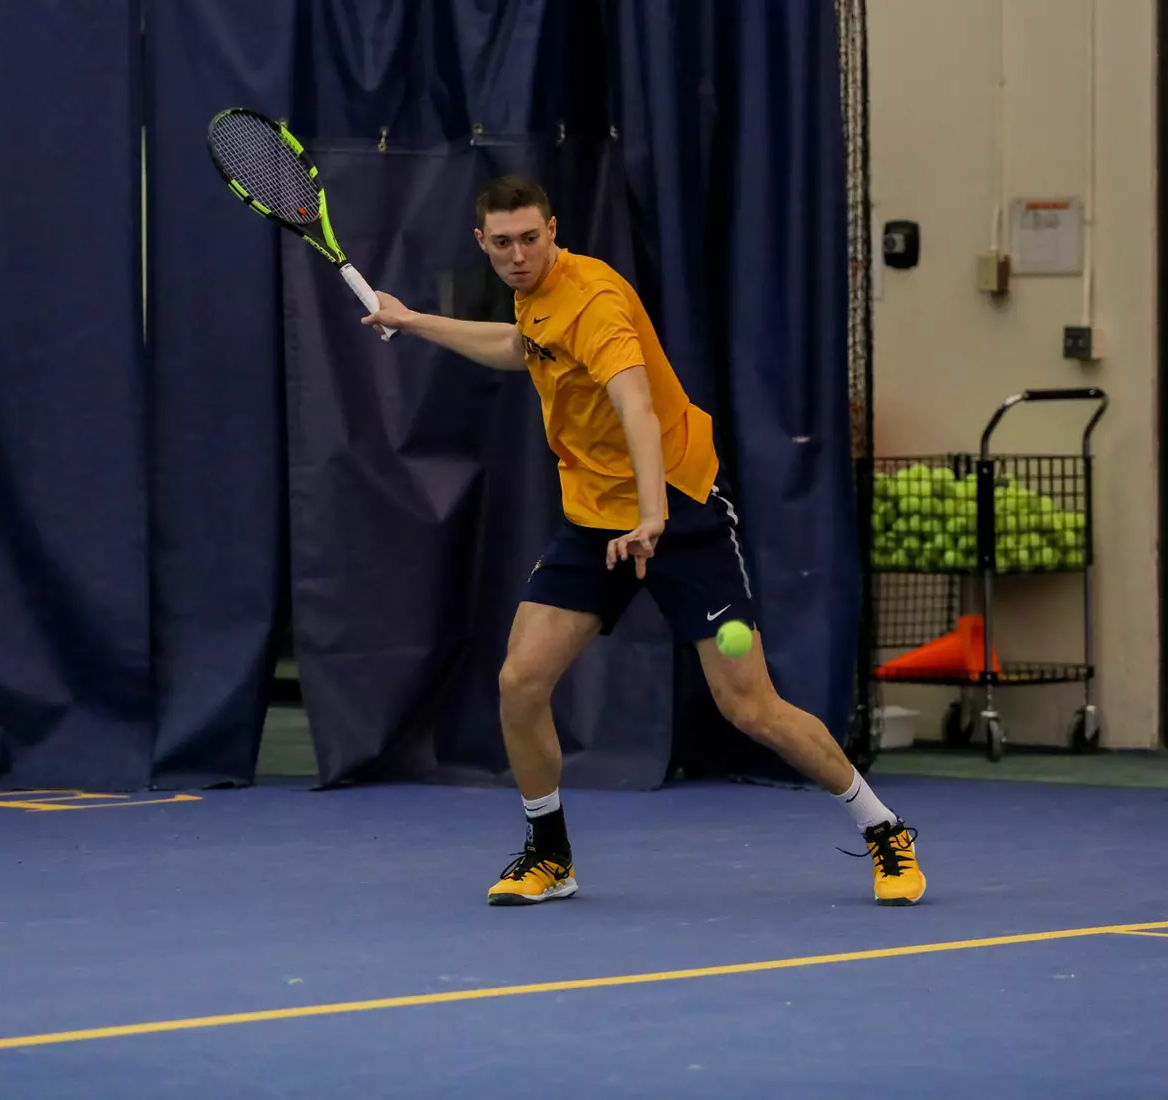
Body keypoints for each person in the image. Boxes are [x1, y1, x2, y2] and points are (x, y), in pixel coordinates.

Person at [357, 175, 924, 908]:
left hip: (677, 511)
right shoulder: (534, 298)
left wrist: (652, 515)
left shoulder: (595, 303)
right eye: (504, 243)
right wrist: (415, 321)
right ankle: (550, 854)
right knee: (520, 682)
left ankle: (883, 829)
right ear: (483, 243)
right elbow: (521, 346)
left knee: (751, 708)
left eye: (532, 238)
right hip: (595, 518)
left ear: (553, 229)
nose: (520, 254)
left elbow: (636, 408)